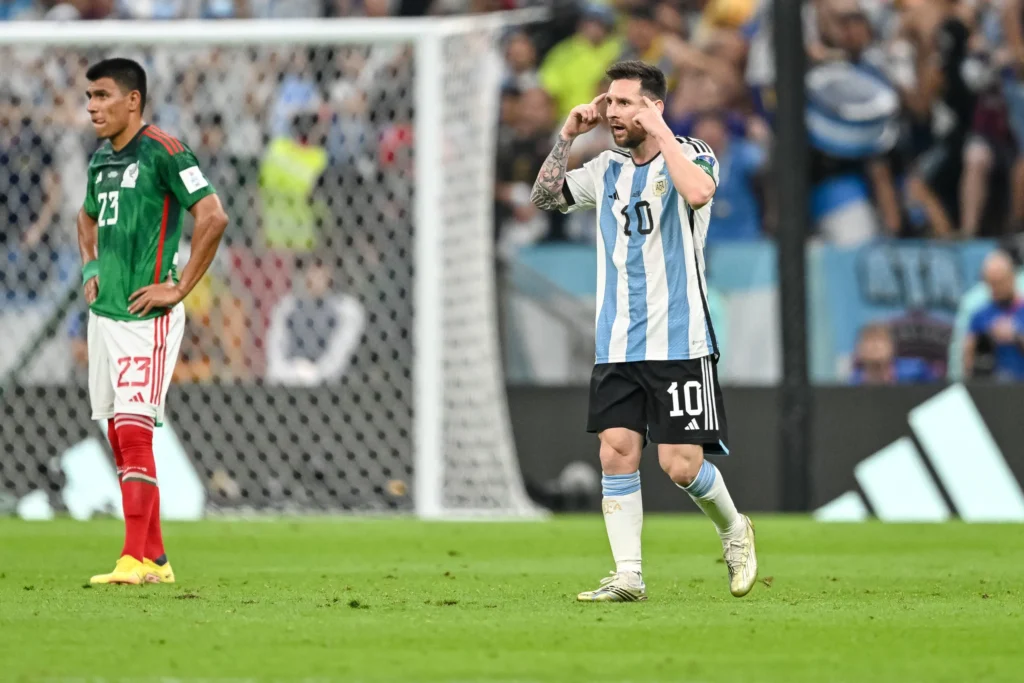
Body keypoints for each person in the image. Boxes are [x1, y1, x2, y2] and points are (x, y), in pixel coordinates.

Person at [530, 60, 757, 602]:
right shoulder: (605, 169)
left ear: (654, 107)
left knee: (680, 466)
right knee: (615, 452)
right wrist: (566, 138)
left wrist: (661, 133)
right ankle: (628, 574)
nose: (612, 112)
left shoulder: (693, 153)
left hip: (679, 339)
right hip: (616, 341)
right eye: (609, 101)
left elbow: (698, 194)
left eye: (625, 103)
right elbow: (545, 198)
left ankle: (734, 529)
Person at [80, 58, 228, 585]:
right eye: (89, 97)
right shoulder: (101, 159)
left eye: (102, 95)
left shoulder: (166, 150)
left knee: (134, 430)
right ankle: (157, 560)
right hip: (105, 315)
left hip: (149, 315)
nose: (92, 106)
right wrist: (91, 265)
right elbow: (86, 216)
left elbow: (213, 216)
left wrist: (180, 286)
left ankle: (131, 560)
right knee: (119, 434)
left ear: (133, 101)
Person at [963, 250, 1024, 381]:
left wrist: (1016, 335)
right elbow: (968, 359)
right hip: (992, 386)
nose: (996, 288)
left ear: (1011, 277)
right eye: (991, 283)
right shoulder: (980, 315)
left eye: (999, 282)